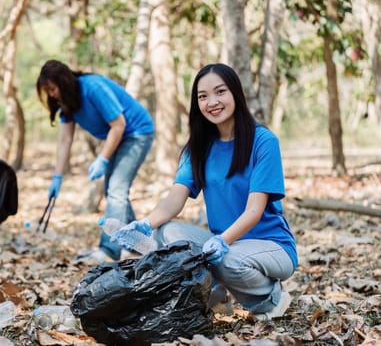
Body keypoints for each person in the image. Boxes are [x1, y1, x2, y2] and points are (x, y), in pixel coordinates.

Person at [112, 63, 297, 320]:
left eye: (220, 92)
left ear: (235, 94)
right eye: (203, 96)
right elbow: (175, 198)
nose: (212, 102)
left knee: (223, 260)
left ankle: (271, 297)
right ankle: (218, 294)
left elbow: (254, 211)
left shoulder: (263, 142)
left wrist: (222, 241)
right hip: (223, 245)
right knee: (167, 232)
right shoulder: (198, 148)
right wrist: (144, 223)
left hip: (271, 246)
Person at [36, 59, 155, 261]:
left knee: (116, 188)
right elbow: (65, 140)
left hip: (137, 132)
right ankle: (142, 245)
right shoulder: (67, 103)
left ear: (63, 83)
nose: (51, 95)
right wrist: (57, 176)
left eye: (52, 89)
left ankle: (109, 250)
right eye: (48, 91)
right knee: (114, 189)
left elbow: (119, 124)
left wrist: (102, 158)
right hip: (120, 135)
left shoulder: (92, 88)